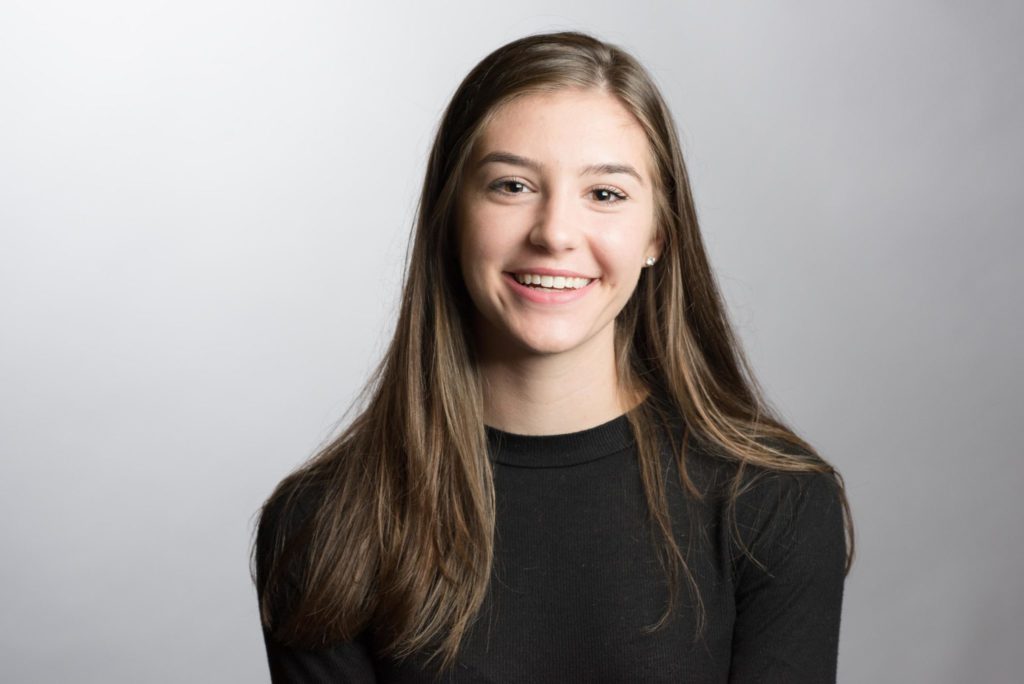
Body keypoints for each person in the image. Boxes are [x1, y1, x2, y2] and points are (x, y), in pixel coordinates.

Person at [252, 30, 854, 683]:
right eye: (512, 186)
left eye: (606, 194)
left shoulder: (773, 502)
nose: (555, 234)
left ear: (658, 234)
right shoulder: (324, 526)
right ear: (451, 216)